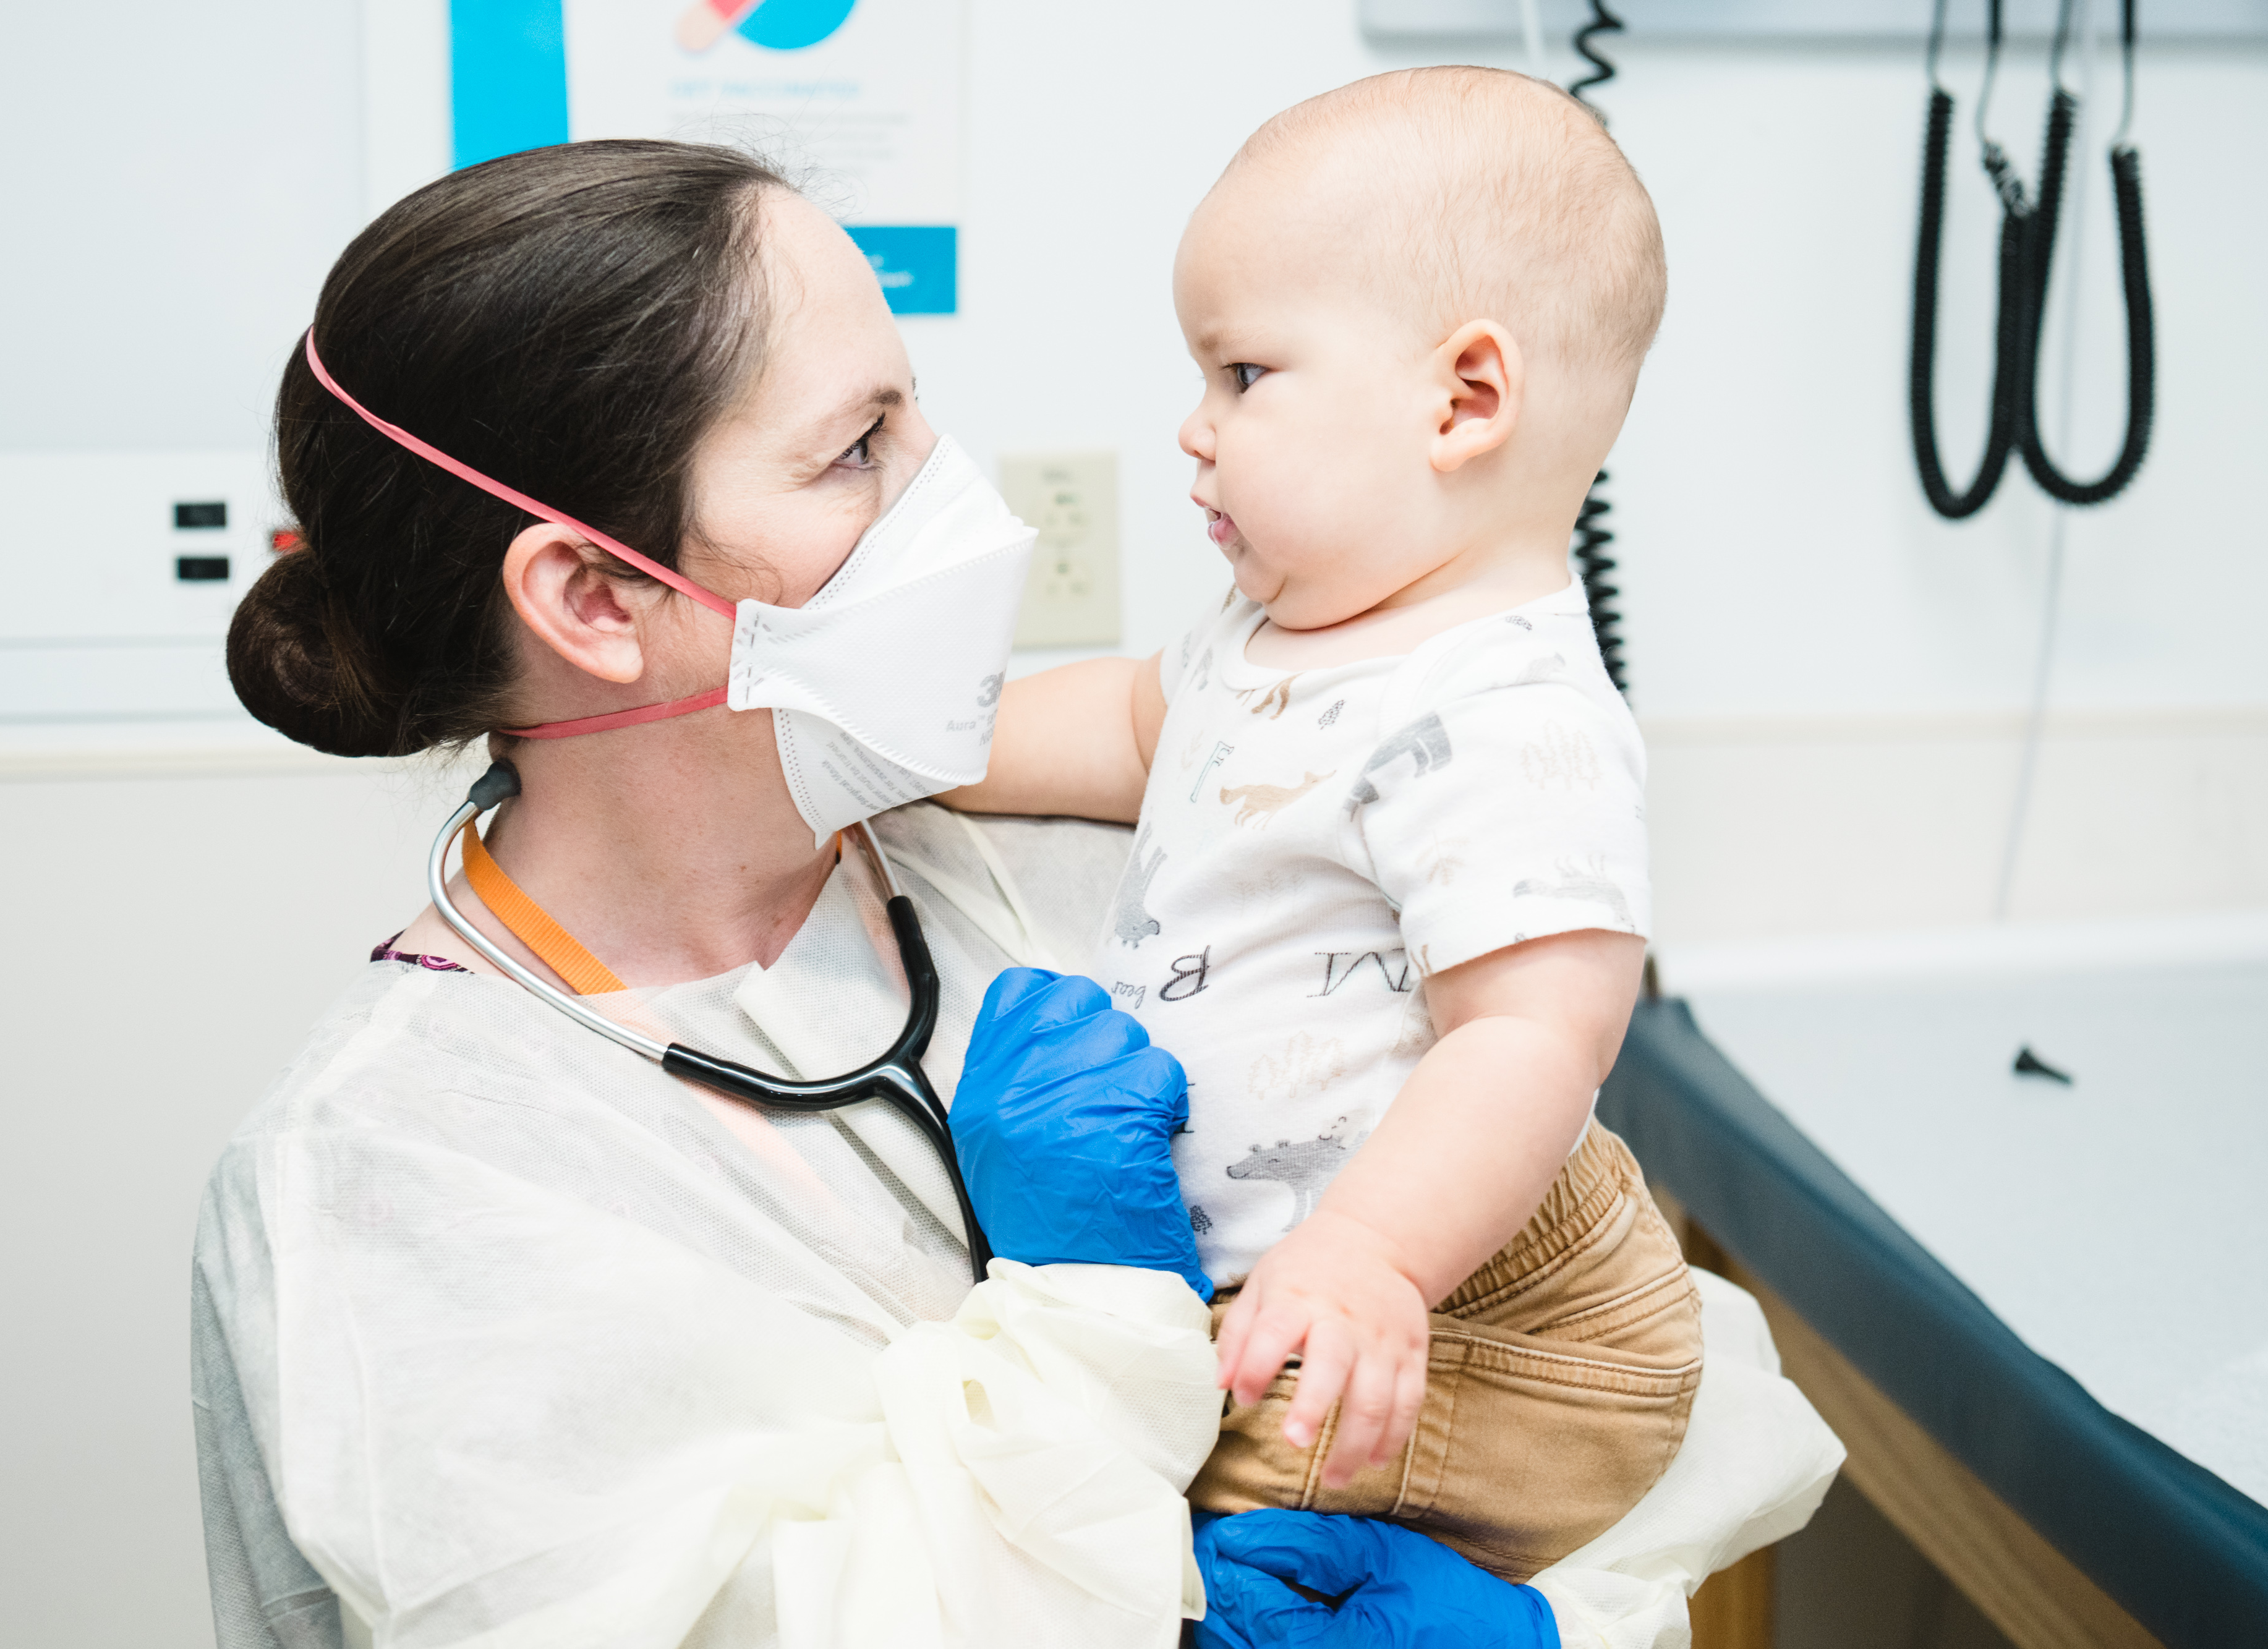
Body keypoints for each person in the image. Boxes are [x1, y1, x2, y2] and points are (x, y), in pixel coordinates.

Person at [196, 136, 1838, 1649]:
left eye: (916, 411)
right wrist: (1095, 1305)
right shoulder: (394, 1181)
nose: (952, 497)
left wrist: (1543, 1634)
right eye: (856, 450)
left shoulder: (1139, 872)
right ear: (600, 596)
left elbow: (1627, 1381)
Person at [947, 66, 1705, 1580]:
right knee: (1110, 1465)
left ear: (1460, 399)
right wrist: (916, 753)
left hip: (1495, 1314)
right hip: (1318, 1272)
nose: (1192, 427)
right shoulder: (1270, 630)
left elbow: (1533, 1036)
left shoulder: (1509, 708)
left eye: (1242, 375)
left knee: (1117, 1511)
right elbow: (1123, 729)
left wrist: (1371, 1254)